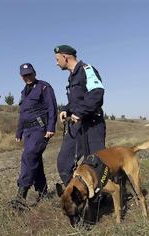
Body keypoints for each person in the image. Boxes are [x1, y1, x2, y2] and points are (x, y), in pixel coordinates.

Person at [53, 45, 106, 186]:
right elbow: (76, 101)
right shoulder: (72, 77)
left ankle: (101, 198)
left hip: (93, 124)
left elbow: (97, 94)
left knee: (96, 163)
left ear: (65, 57)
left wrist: (80, 112)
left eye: (57, 59)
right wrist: (66, 109)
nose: (56, 62)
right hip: (77, 126)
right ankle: (76, 194)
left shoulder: (87, 69)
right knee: (64, 162)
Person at [11, 63, 57, 208]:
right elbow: (23, 114)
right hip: (27, 131)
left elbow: (52, 108)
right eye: (25, 75)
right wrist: (19, 131)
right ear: (21, 76)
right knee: (35, 159)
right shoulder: (24, 92)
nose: (28, 77)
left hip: (40, 129)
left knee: (28, 156)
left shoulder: (44, 87)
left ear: (34, 73)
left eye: (30, 74)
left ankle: (21, 195)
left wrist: (50, 127)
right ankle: (43, 192)